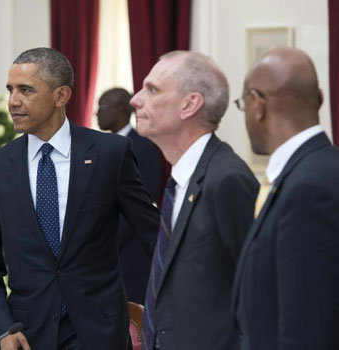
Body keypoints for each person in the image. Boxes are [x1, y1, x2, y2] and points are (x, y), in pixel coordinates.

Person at [0, 47, 160, 350]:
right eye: (11, 90)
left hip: (100, 332)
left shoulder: (110, 154)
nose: (13, 101)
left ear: (61, 96)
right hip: (27, 335)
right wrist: (2, 329)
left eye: (26, 90)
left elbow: (154, 236)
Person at [130, 51, 258, 350]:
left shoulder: (227, 179)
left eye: (152, 90)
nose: (136, 99)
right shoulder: (181, 179)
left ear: (190, 104)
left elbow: (256, 293)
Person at [232, 47, 339, 349]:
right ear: (319, 99)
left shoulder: (308, 189)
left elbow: (307, 330)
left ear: (256, 104)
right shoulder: (321, 169)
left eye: (243, 105)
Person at [96, 87, 163, 303]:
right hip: (103, 259)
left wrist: (104, 242)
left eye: (102, 107)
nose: (97, 113)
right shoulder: (98, 147)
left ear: (120, 109)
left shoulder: (143, 147)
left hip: (129, 255)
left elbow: (139, 206)